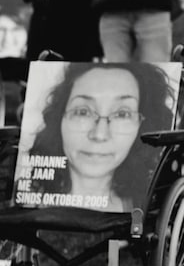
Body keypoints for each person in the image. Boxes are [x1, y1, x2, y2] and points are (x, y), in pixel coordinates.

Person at [27, 63, 173, 212]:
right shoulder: (21, 199)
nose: (99, 135)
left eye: (122, 114)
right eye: (83, 112)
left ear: (142, 126)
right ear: (59, 119)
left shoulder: (152, 207)